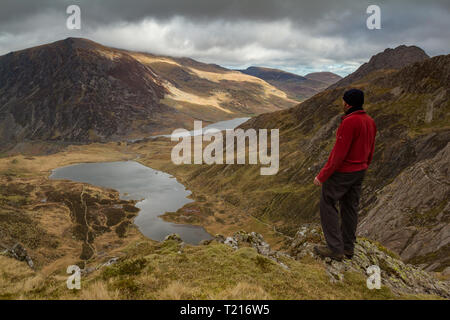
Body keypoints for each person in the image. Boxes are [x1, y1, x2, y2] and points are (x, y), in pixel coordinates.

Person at [313, 88, 377, 261]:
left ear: (347, 103)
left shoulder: (349, 122)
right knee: (350, 208)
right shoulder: (369, 121)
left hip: (343, 172)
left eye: (343, 101)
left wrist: (322, 176)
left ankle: (335, 249)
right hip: (360, 170)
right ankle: (348, 248)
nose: (342, 103)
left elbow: (339, 154)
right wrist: (364, 166)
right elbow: (370, 149)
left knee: (327, 203)